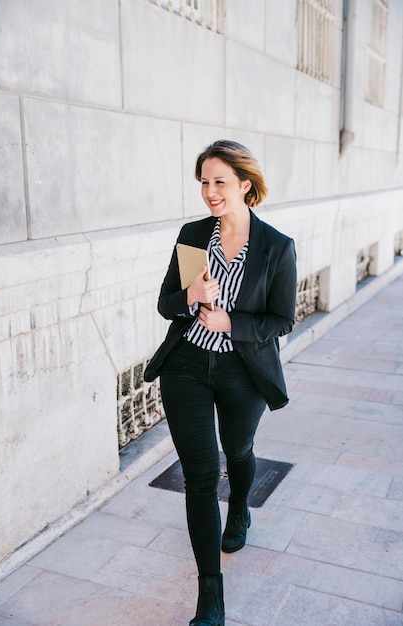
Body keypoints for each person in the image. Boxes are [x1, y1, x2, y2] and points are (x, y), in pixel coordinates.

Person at [144, 140, 297, 626]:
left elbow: (281, 319)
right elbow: (168, 302)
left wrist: (232, 324)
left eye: (220, 182)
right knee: (201, 474)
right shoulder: (193, 237)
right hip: (186, 366)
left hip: (241, 371)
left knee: (238, 450)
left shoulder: (275, 247)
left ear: (245, 185)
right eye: (204, 182)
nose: (210, 192)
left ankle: (239, 512)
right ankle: (210, 592)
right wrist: (190, 294)